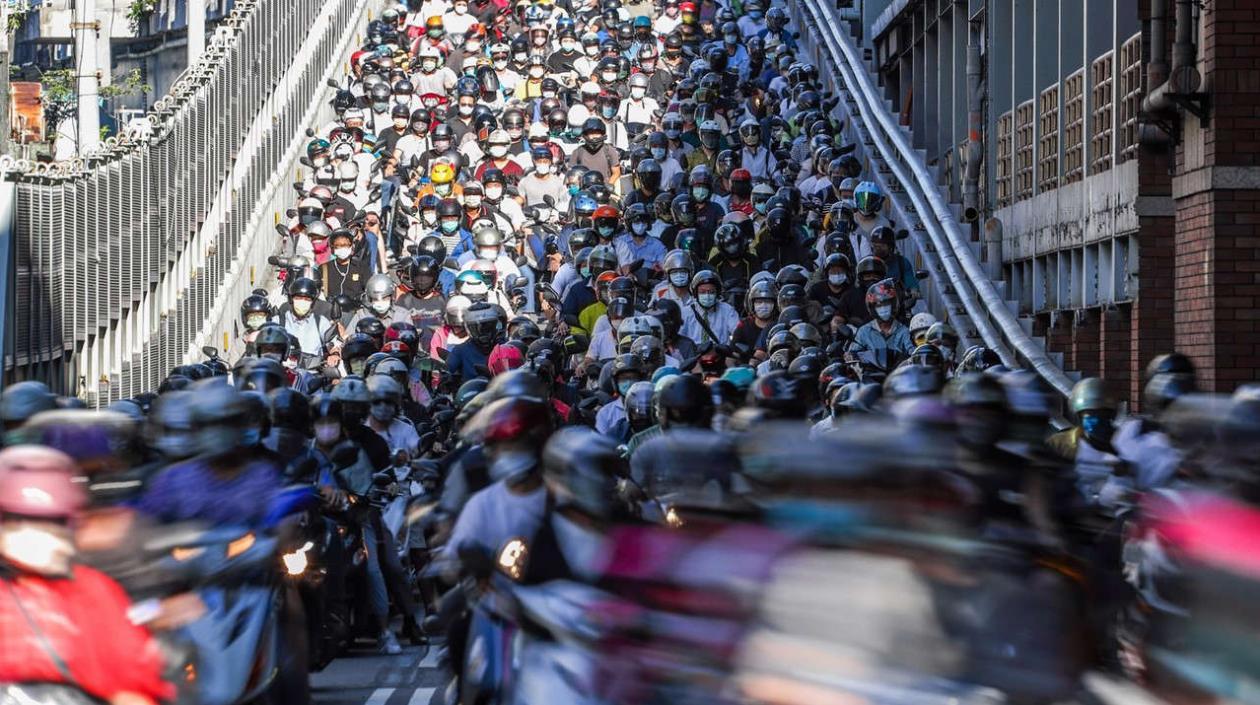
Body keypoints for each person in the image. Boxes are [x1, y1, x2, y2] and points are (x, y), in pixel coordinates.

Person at [0, 446, 175, 705]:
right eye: (19, 520)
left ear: (73, 522)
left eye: (54, 522)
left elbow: (131, 686)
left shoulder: (94, 588)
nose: (37, 532)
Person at [852, 279, 914, 371]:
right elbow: (853, 354)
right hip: (871, 375)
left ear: (893, 305)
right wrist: (850, 355)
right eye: (879, 306)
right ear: (873, 308)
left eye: (886, 304)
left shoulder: (903, 330)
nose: (883, 309)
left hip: (897, 374)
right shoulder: (864, 331)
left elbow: (912, 351)